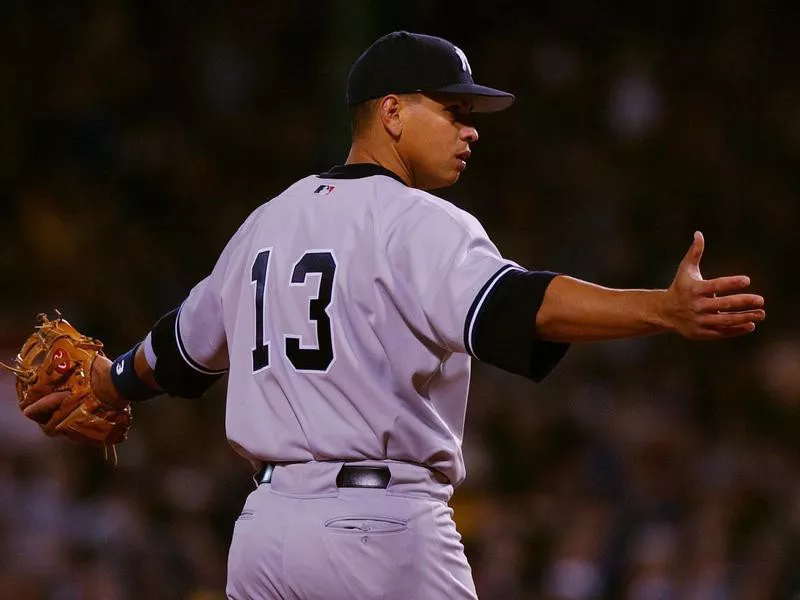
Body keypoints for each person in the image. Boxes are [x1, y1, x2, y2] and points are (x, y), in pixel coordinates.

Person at [24, 31, 765, 599]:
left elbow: (179, 353)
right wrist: (661, 312)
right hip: (379, 533)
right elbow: (519, 304)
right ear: (392, 111)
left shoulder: (265, 224)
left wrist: (110, 379)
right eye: (454, 109)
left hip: (263, 539)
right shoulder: (419, 222)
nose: (470, 128)